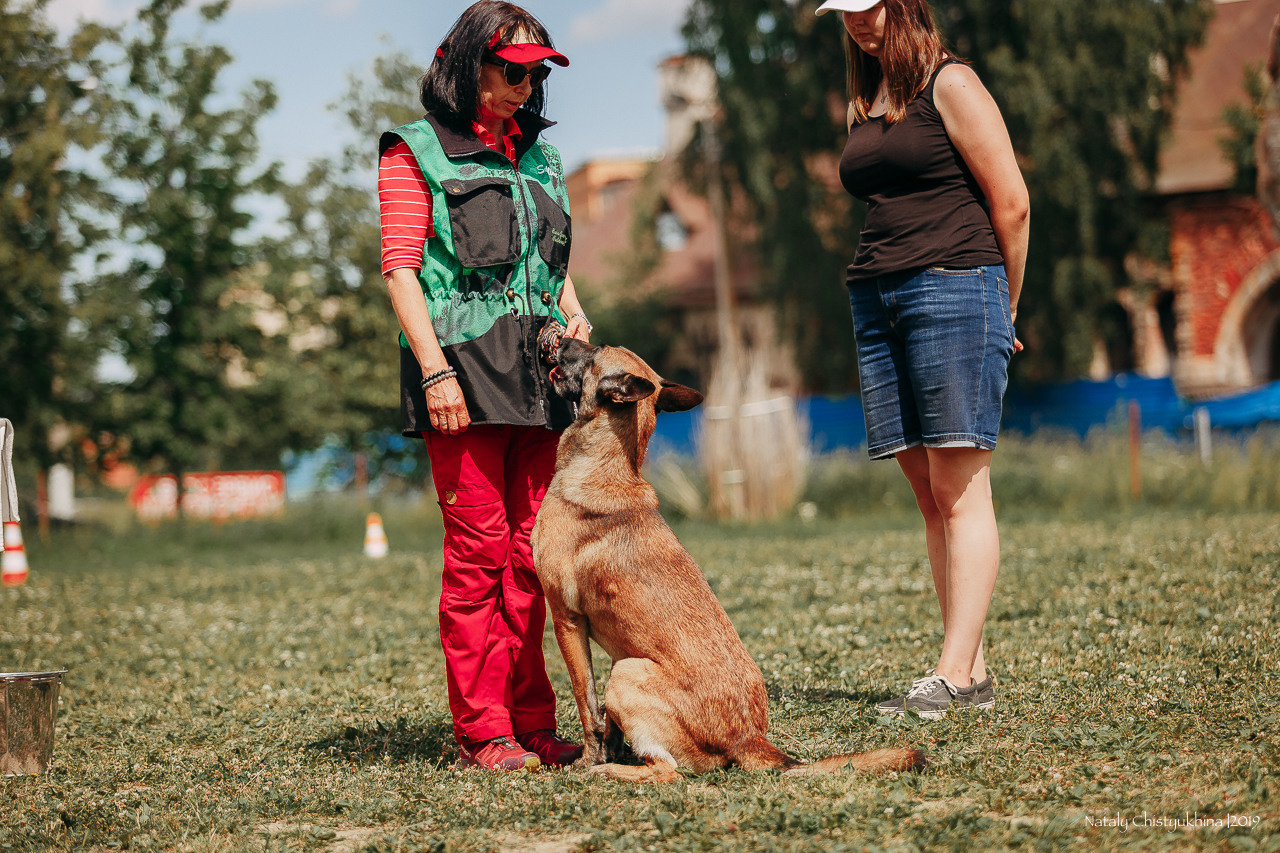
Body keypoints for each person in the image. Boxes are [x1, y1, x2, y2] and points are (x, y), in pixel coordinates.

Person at [378, 0, 590, 771]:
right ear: (467, 64)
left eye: (536, 76)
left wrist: (574, 311)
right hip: (462, 379)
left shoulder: (542, 158)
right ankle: (483, 730)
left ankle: (534, 722)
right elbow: (400, 269)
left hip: (542, 379)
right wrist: (434, 370)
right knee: (479, 555)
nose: (524, 89)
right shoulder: (416, 152)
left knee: (533, 556)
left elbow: (552, 264)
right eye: (511, 71)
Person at [817, 0, 1030, 717]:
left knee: (960, 485)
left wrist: (1007, 306)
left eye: (867, 7)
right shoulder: (868, 99)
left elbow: (1013, 203)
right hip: (879, 296)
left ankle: (950, 675)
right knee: (926, 488)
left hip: (955, 286)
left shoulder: (952, 84)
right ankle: (969, 665)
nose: (857, 23)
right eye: (843, 13)